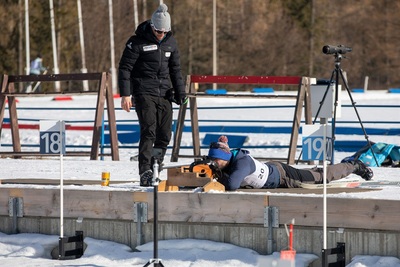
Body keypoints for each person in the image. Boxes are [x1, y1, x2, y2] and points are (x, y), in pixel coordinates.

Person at [118, 3, 187, 186]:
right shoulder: (137, 42)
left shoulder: (170, 42)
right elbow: (125, 68)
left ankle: (156, 163)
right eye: (158, 31)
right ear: (152, 27)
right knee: (149, 130)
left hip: (164, 93)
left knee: (164, 133)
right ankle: (145, 171)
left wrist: (181, 93)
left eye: (164, 32)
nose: (161, 35)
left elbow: (176, 70)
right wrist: (126, 95)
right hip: (143, 92)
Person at [206, 136, 374, 191]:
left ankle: (354, 165)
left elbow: (232, 185)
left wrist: (215, 177)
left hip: (283, 177)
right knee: (313, 173)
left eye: (217, 160)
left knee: (320, 177)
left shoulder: (241, 163)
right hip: (272, 169)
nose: (214, 163)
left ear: (226, 158)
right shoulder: (230, 158)